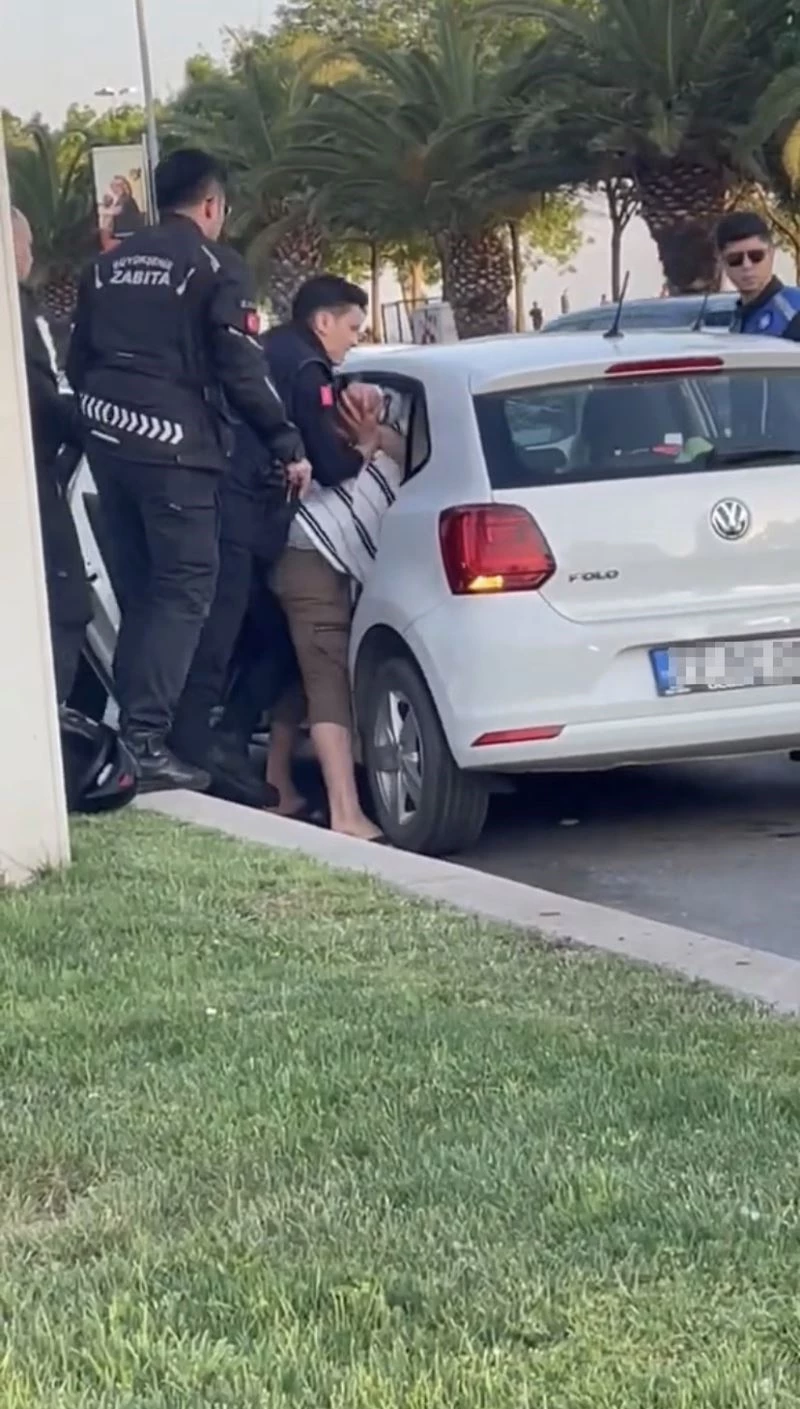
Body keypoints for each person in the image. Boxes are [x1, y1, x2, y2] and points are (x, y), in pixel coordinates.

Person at [66, 148, 310, 793]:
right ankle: (146, 742)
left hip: (110, 448)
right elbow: (241, 365)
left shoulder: (106, 266)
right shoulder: (212, 265)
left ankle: (133, 737)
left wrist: (105, 420)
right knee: (185, 591)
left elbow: (77, 360)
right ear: (210, 204)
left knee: (144, 595)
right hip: (175, 452)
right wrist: (286, 441)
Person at [261, 275, 402, 840]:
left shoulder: (276, 353)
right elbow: (334, 464)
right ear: (323, 321)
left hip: (280, 542)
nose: (355, 339)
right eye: (353, 327)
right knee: (326, 675)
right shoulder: (309, 371)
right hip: (311, 555)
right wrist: (369, 444)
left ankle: (279, 786)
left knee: (300, 668)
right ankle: (345, 812)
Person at [12, 207, 92, 706]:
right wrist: (93, 422)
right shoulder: (15, 309)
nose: (31, 255)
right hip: (29, 487)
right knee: (66, 609)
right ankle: (50, 728)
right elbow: (37, 400)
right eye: (26, 245)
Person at [716, 211, 800, 339]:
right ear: (722, 262)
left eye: (756, 256)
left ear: (771, 254)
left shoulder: (793, 311)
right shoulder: (737, 318)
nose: (747, 265)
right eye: (735, 259)